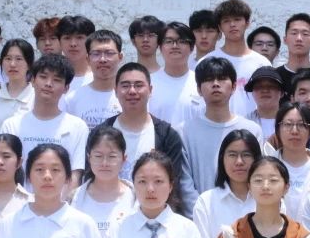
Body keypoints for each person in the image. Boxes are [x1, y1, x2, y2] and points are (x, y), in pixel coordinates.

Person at [107, 63, 197, 217]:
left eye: (139, 85)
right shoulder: (103, 133)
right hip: (111, 213)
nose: (132, 91)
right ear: (115, 91)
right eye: (125, 85)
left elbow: (174, 184)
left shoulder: (167, 135)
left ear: (150, 90)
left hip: (155, 216)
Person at [1, 53, 90, 185]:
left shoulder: (78, 127)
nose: (48, 84)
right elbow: (6, 172)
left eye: (57, 80)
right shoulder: (12, 125)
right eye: (43, 77)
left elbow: (75, 175)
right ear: (32, 80)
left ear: (66, 88)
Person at [181, 56, 262, 197]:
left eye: (222, 79)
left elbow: (259, 174)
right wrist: (201, 209)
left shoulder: (252, 130)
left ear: (234, 86)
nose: (215, 84)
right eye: (208, 79)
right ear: (199, 89)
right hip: (199, 209)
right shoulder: (184, 132)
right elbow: (184, 183)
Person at [192, 130, 262, 238]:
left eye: (246, 155)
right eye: (232, 155)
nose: (239, 162)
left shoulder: (270, 200)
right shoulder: (206, 202)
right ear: (222, 159)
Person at [209, 0, 273, 116]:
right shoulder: (208, 61)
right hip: (218, 125)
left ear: (247, 23)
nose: (232, 25)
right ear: (220, 27)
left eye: (237, 19)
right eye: (226, 21)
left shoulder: (262, 63)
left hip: (254, 125)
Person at [266, 102, 310, 221]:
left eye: (301, 125)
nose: (294, 131)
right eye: (288, 124)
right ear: (278, 130)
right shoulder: (265, 167)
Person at [63, 29, 123, 128]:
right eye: (96, 54)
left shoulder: (130, 97)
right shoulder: (72, 99)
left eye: (109, 53)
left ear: (120, 57)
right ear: (88, 59)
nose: (103, 59)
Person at [149, 22, 203, 128]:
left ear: (192, 47)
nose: (175, 46)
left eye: (182, 41)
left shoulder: (202, 82)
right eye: (169, 41)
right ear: (160, 47)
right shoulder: (149, 83)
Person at [0, 39, 36, 134]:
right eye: (8, 59)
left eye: (19, 59)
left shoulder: (37, 98)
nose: (12, 64)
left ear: (29, 64)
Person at [277, 13, 310, 92]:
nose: (299, 38)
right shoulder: (275, 77)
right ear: (285, 40)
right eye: (294, 33)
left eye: (305, 34)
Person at [245, 65, 285, 140]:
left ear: (282, 93)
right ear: (252, 93)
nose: (265, 90)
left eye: (271, 86)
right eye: (259, 87)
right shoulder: (244, 123)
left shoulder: (292, 122)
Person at [57, 15, 96, 85]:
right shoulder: (49, 78)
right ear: (59, 42)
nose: (73, 44)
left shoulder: (102, 76)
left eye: (79, 37)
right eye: (67, 38)